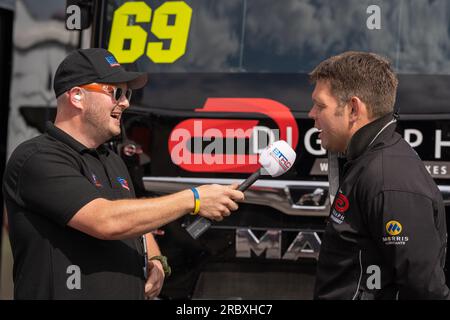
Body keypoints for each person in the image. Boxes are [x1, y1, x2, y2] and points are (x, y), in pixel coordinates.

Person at [2, 48, 244, 300]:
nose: (126, 102)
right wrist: (193, 199)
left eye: (127, 93)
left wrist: (156, 259)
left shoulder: (112, 160)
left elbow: (133, 216)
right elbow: (105, 220)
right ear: (77, 96)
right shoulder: (38, 157)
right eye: (116, 92)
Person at [308, 51, 449, 299]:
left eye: (320, 106)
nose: (311, 114)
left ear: (353, 108)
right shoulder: (367, 160)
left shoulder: (388, 180)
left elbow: (425, 290)